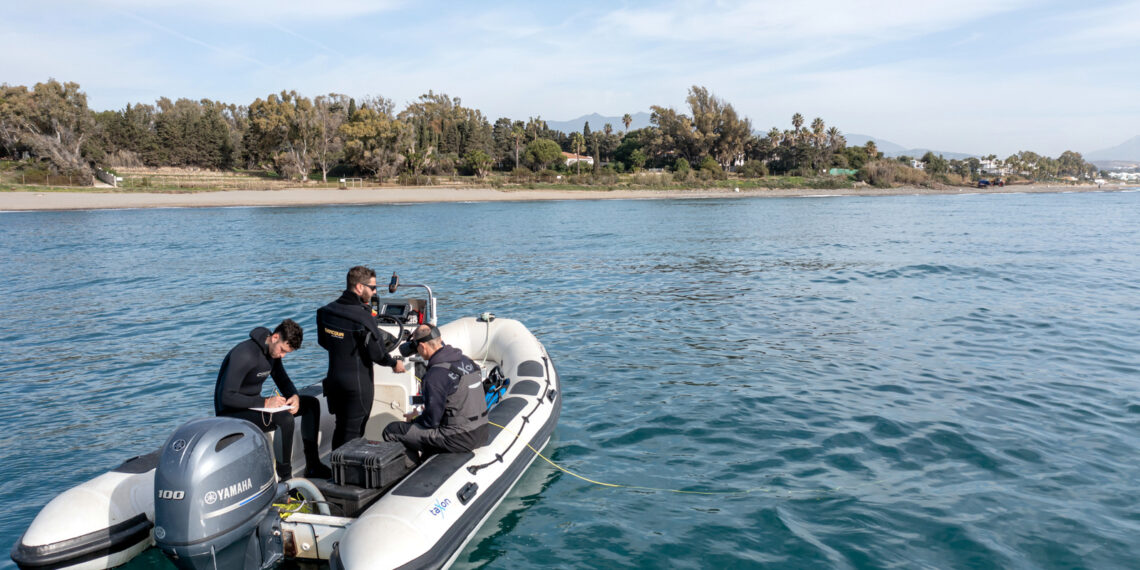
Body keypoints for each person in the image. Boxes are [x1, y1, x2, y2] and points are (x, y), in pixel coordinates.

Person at [317, 266, 406, 453]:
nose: (375, 292)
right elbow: (378, 354)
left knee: (340, 428)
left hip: (334, 382)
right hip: (357, 385)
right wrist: (394, 364)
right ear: (359, 287)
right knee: (355, 433)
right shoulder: (364, 317)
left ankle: (337, 470)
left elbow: (324, 342)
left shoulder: (326, 311)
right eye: (372, 288)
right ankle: (345, 478)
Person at [383, 324, 488, 460]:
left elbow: (431, 422)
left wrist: (414, 419)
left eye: (417, 350)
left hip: (459, 438)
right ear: (439, 340)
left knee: (392, 430)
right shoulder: (466, 360)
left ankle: (412, 471)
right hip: (482, 431)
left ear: (422, 347)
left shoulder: (435, 375)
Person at [214, 319, 303, 480]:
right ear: (275, 337)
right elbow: (226, 397)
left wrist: (294, 396)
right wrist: (265, 403)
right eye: (282, 350)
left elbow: (283, 380)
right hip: (232, 412)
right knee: (285, 419)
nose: (281, 356)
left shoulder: (271, 353)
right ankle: (287, 481)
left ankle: (313, 466)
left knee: (311, 405)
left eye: (286, 353)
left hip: (254, 407)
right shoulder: (245, 354)